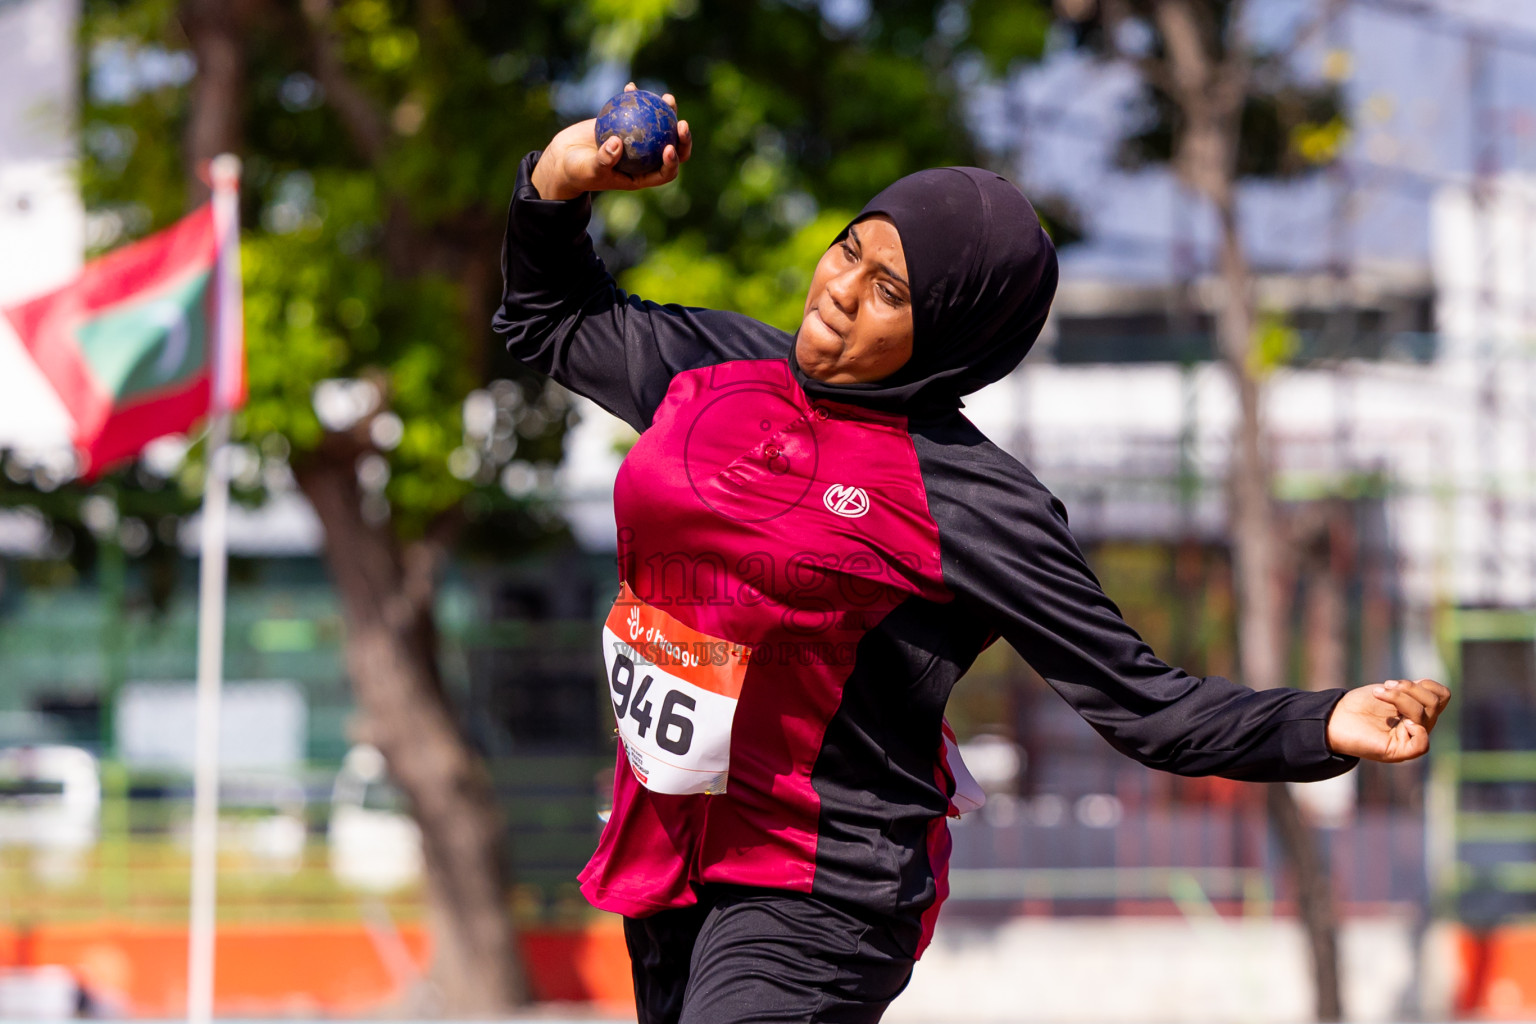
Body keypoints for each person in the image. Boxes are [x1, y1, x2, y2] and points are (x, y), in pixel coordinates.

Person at [495, 86, 1451, 1024]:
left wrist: (1323, 723)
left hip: (821, 889)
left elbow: (1143, 703)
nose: (838, 294)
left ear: (954, 334)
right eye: (848, 251)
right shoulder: (711, 371)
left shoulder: (971, 500)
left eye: (890, 292)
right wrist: (558, 178)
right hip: (673, 854)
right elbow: (550, 316)